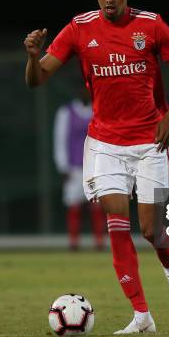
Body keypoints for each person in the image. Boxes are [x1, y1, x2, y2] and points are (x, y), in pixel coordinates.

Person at [24, 0, 169, 334]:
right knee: (117, 226)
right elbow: (37, 80)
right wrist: (32, 57)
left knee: (150, 229)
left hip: (151, 141)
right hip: (105, 144)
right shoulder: (79, 28)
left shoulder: (150, 26)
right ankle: (141, 316)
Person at [53, 90, 105, 250]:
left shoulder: (99, 111)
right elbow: (60, 139)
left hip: (95, 167)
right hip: (74, 168)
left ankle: (99, 242)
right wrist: (62, 165)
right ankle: (73, 242)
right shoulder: (66, 112)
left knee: (96, 206)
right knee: (73, 204)